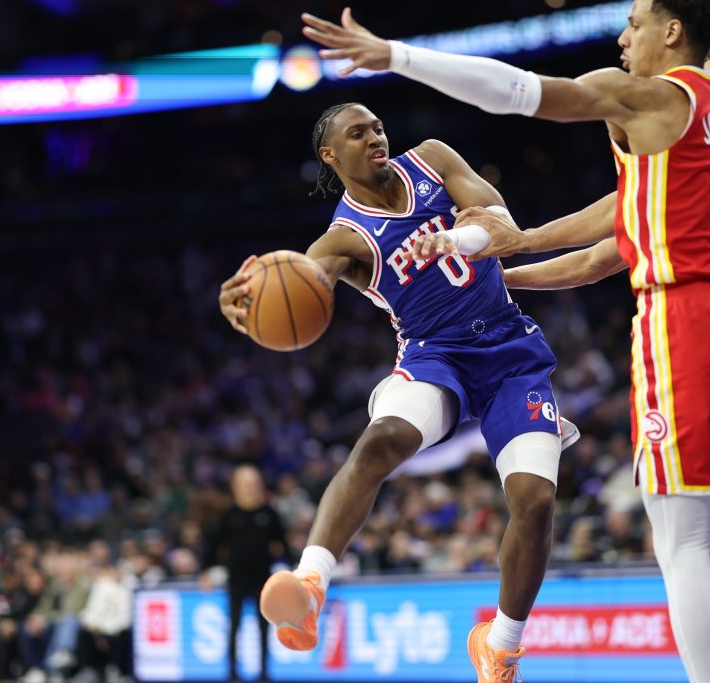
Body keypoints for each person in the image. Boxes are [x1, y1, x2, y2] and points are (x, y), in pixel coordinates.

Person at [300, 3, 710, 681]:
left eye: (637, 21)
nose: (625, 37)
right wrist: (519, 250)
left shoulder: (651, 97)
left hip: (692, 322)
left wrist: (397, 56)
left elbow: (518, 91)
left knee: (681, 543)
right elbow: (621, 219)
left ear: (673, 31)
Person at [217, 102, 579, 682]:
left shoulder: (432, 159)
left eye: (379, 126)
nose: (375, 137)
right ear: (331, 156)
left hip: (509, 351)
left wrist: (456, 239)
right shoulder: (343, 239)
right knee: (384, 437)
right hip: (435, 354)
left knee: (535, 503)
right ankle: (310, 586)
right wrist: (249, 304)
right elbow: (305, 280)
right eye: (357, 134)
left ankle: (502, 643)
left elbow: (501, 223)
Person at [202, 464, 288, 683]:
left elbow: (283, 547)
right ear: (235, 486)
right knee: (234, 626)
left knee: (264, 627)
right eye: (245, 483)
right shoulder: (229, 515)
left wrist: (292, 570)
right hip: (237, 580)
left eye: (254, 482)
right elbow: (214, 547)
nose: (250, 487)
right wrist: (206, 572)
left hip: (263, 580)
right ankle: (232, 672)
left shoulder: (269, 514)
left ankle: (264, 673)